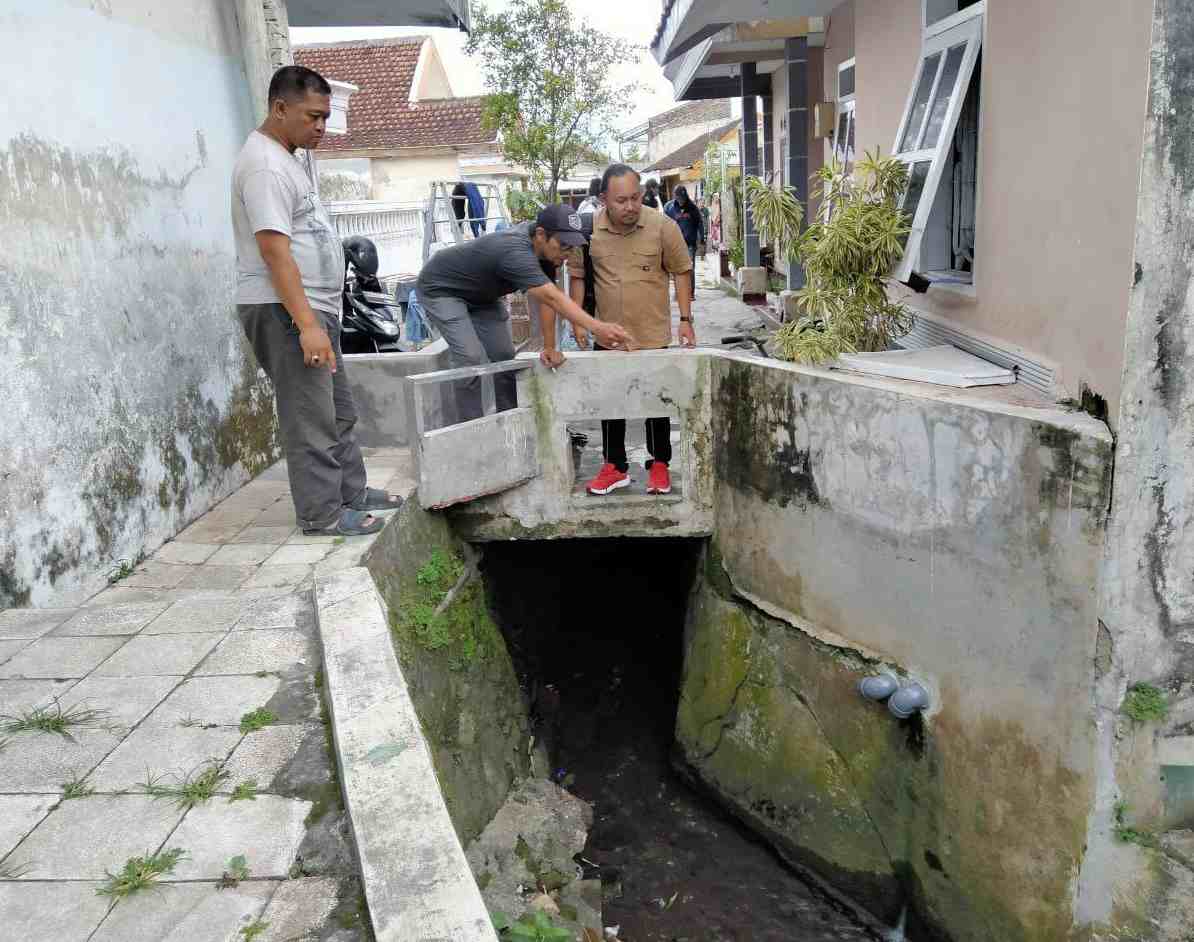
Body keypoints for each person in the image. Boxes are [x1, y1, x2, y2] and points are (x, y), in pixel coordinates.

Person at [232, 65, 401, 537]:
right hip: (286, 311)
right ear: (280, 108)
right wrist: (305, 324)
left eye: (325, 117)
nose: (321, 127)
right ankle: (322, 513)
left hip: (312, 310)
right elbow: (274, 249)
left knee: (338, 410)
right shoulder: (265, 166)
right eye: (313, 116)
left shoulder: (289, 157)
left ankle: (350, 492)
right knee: (311, 418)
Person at [546, 164, 695, 497]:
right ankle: (614, 466)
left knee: (655, 401)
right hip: (608, 336)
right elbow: (580, 277)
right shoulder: (587, 231)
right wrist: (578, 321)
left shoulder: (662, 226)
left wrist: (685, 320)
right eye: (621, 200)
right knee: (610, 401)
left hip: (652, 335)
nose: (630, 207)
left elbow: (682, 271)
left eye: (635, 197)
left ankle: (659, 464)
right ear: (604, 199)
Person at [417, 204, 629, 421]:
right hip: (441, 288)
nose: (567, 254)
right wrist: (598, 327)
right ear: (540, 235)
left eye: (571, 247)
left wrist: (549, 347)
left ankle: (509, 420)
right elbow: (552, 297)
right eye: (563, 245)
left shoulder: (546, 250)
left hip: (483, 298)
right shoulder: (515, 251)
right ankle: (471, 429)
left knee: (504, 356)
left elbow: (547, 299)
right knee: (470, 356)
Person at [664, 185, 704, 294]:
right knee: (678, 268)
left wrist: (702, 239)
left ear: (685, 196)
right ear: (675, 197)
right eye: (678, 198)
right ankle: (680, 292)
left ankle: (690, 292)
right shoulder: (669, 207)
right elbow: (665, 224)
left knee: (690, 268)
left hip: (690, 243)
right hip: (676, 244)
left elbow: (699, 223)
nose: (681, 200)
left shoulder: (693, 208)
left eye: (683, 197)